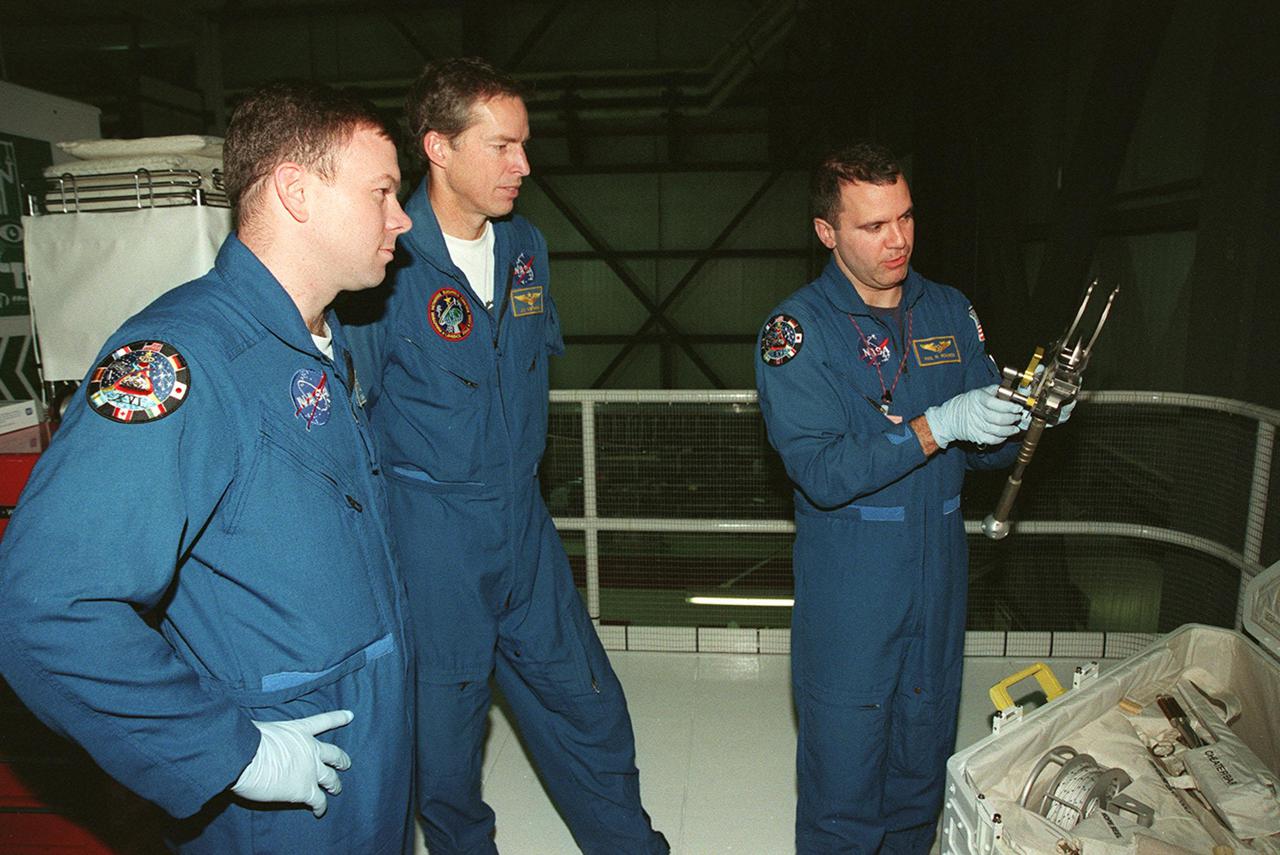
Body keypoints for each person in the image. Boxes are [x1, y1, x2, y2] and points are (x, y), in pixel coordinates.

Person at [0, 81, 416, 853]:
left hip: (365, 744)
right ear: (296, 191)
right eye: (382, 191)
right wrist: (231, 753)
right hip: (279, 786)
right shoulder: (182, 360)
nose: (402, 218)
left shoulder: (323, 341)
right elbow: (47, 604)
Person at [343, 57, 668, 855]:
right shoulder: (383, 262)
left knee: (589, 704)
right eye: (502, 146)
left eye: (524, 144)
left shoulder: (527, 247)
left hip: (522, 522)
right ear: (439, 147)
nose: (523, 164)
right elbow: (353, 417)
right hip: (433, 538)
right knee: (446, 747)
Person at [755, 142, 1070, 852]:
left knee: (920, 774)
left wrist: (1031, 419)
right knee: (845, 786)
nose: (897, 238)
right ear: (827, 232)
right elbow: (822, 472)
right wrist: (937, 425)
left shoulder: (948, 309)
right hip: (853, 589)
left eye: (905, 217)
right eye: (873, 226)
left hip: (939, 579)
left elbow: (985, 449)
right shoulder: (798, 333)